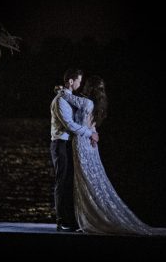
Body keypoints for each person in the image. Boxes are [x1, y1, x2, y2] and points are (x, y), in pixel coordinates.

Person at [61, 76, 156, 235]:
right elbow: (93, 126)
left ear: (89, 88)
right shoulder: (98, 105)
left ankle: (88, 218)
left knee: (85, 181)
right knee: (95, 179)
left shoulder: (86, 102)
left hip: (81, 143)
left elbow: (66, 96)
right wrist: (94, 135)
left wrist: (60, 89)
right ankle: (93, 216)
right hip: (92, 144)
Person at [50, 68, 96, 232]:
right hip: (59, 144)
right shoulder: (60, 101)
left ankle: (70, 219)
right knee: (61, 181)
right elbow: (69, 124)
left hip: (67, 144)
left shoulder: (68, 98)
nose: (80, 84)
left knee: (69, 182)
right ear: (71, 81)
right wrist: (90, 132)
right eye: (78, 80)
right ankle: (61, 220)